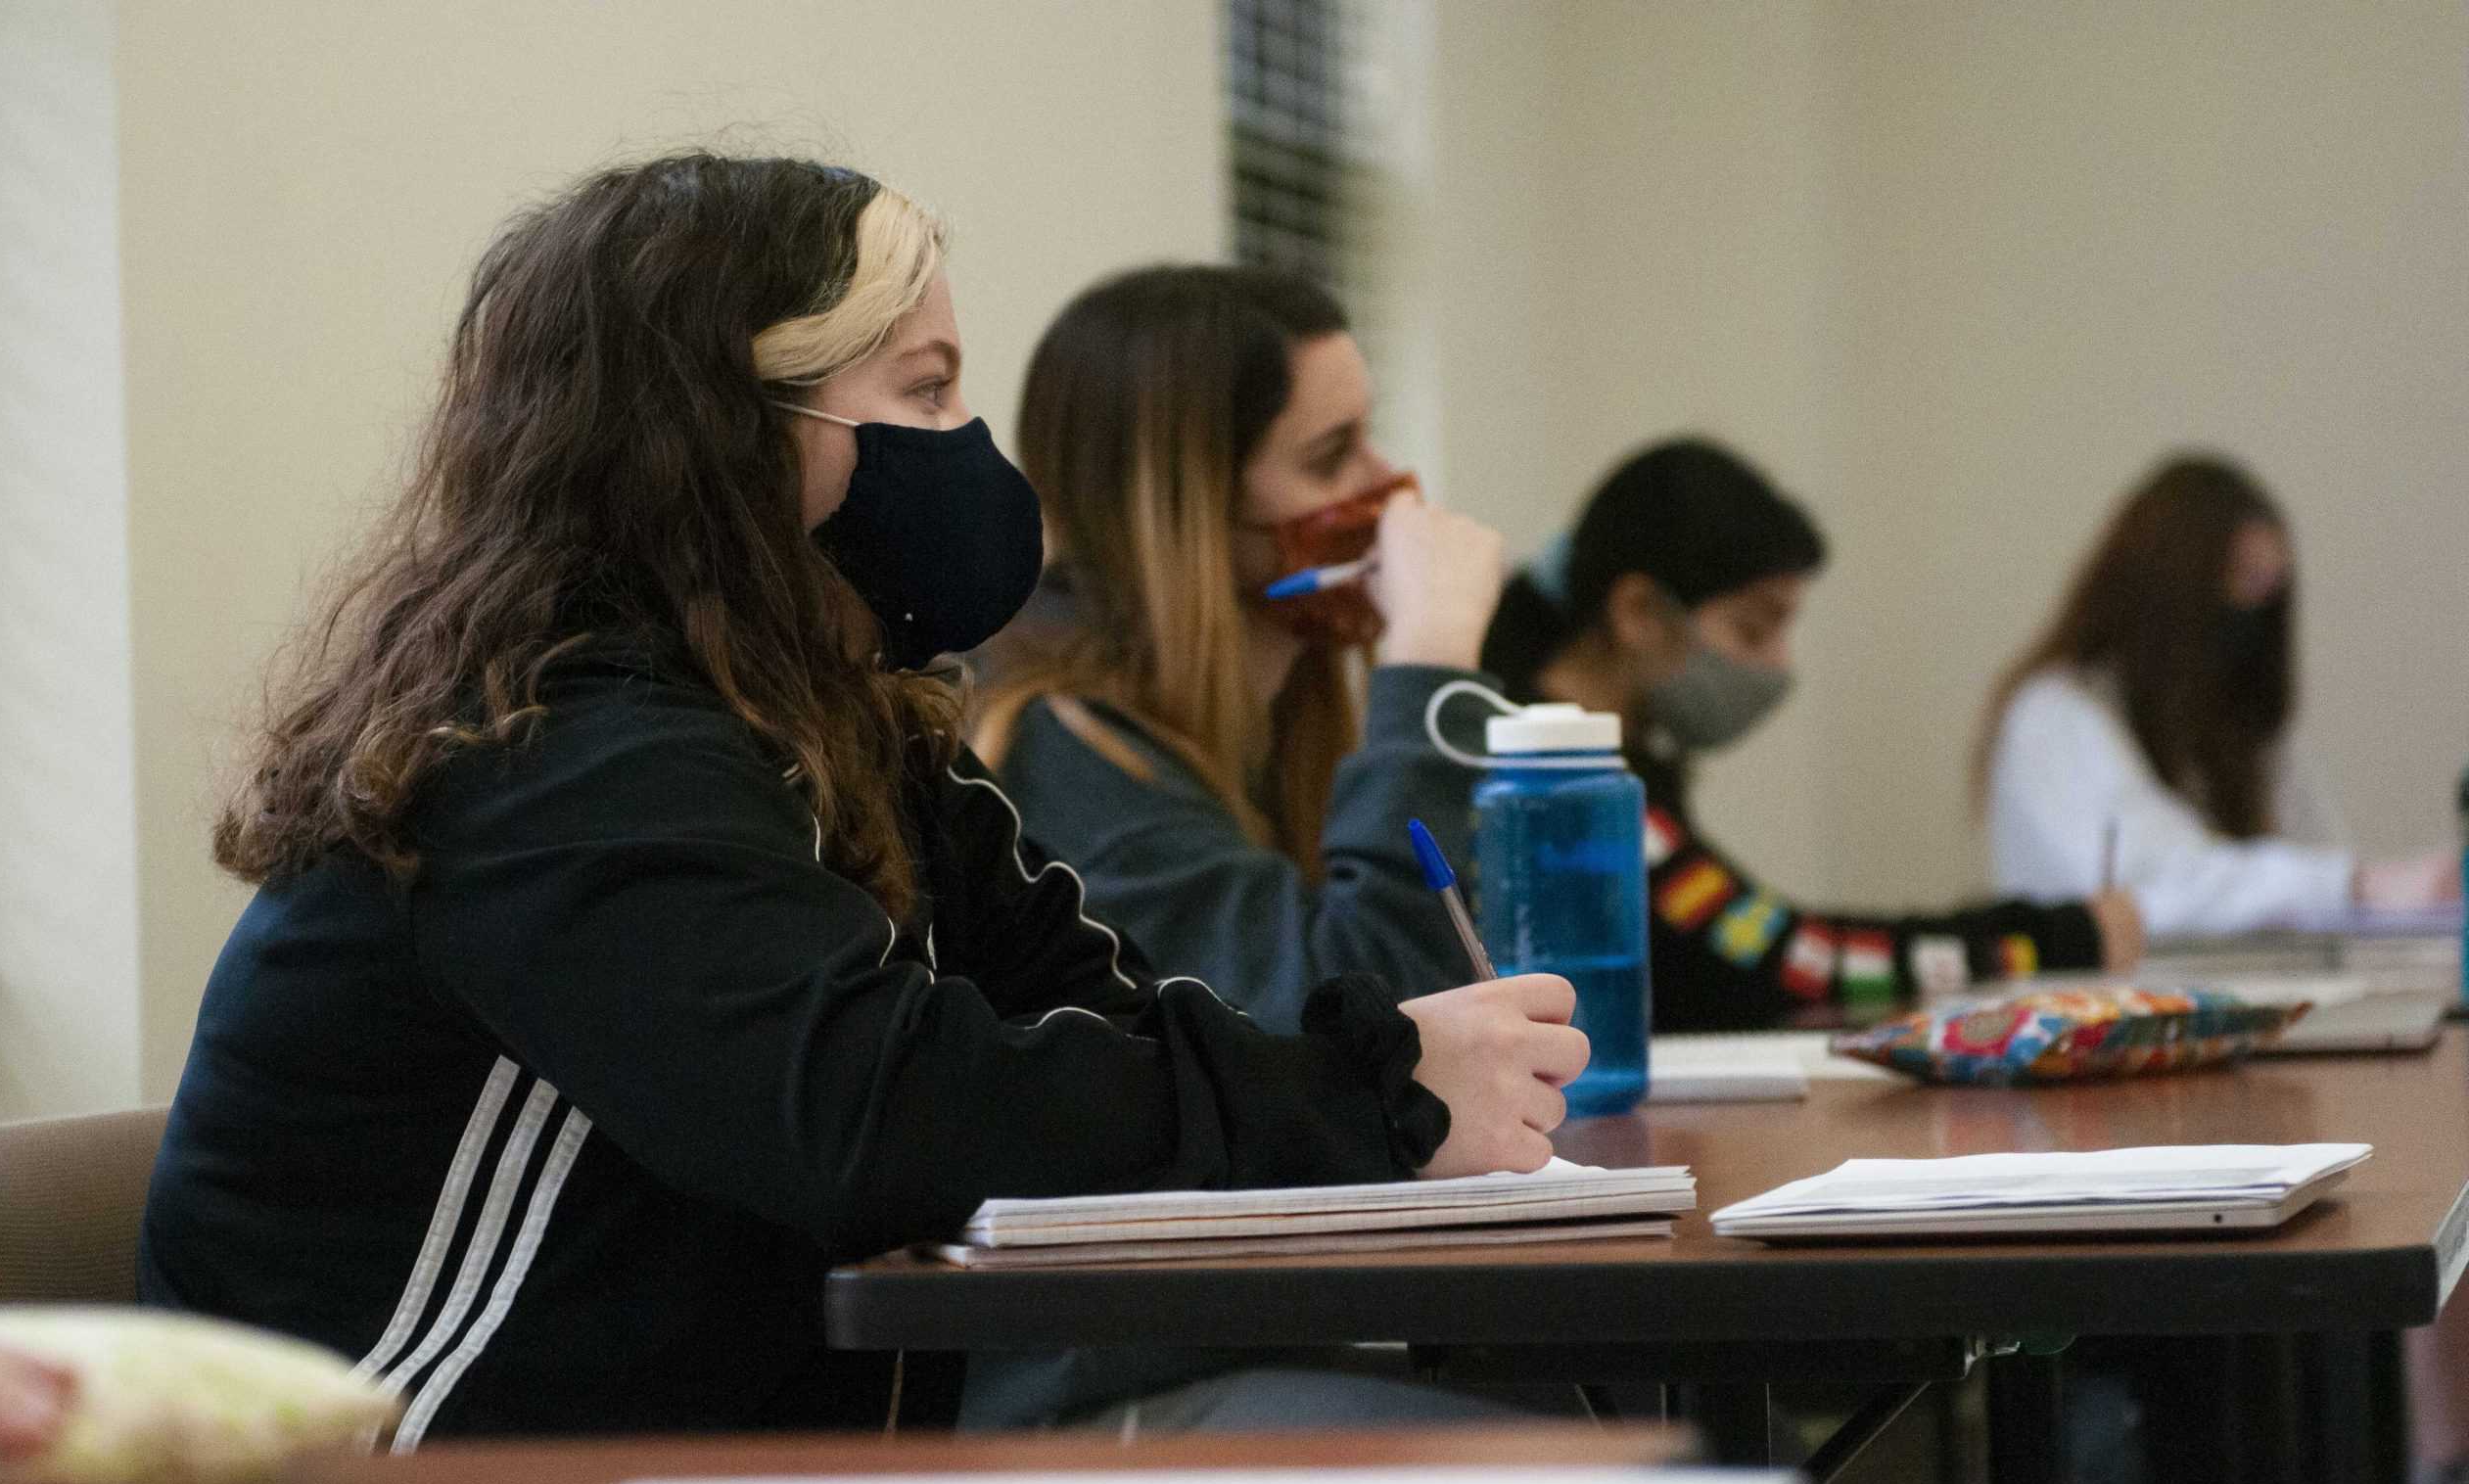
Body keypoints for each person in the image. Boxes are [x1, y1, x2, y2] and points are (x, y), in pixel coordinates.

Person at [136, 154, 1588, 1445]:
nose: (971, 450)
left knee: (1551, 1454)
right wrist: (1369, 1092)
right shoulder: (559, 751)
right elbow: (879, 1113)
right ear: (735, 433)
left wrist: (1352, 1087)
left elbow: (1102, 1015)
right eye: (928, 391)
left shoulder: (846, 729)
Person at [968, 264, 1510, 1036]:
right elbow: (1373, 1033)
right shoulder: (1059, 745)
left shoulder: (1272, 714)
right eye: (1330, 457)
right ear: (1191, 504)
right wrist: (1428, 668)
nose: (1389, 484)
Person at [1478, 438, 2142, 1033]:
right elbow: (1793, 964)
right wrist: (2046, 941)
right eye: (1751, 628)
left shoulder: (1613, 763)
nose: (1777, 665)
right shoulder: (1562, 786)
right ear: (1639, 613)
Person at [1978, 453, 2460, 935]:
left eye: (2267, 595)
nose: (2246, 620)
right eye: (2238, 581)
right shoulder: (2054, 717)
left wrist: (2390, 893)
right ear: (2163, 585)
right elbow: (2156, 884)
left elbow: (2314, 878)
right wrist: (2355, 884)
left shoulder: (2241, 727)